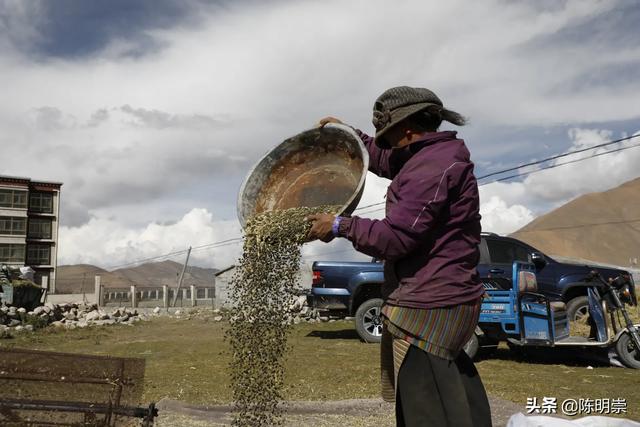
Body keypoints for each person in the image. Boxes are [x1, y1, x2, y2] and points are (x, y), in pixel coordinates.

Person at [307, 86, 492, 427]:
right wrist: (352, 137)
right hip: (444, 292)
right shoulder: (425, 155)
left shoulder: (431, 168)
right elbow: (382, 157)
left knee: (429, 401)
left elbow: (397, 238)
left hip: (432, 300)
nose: (384, 143)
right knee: (447, 387)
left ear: (406, 131)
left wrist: (339, 225)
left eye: (386, 135)